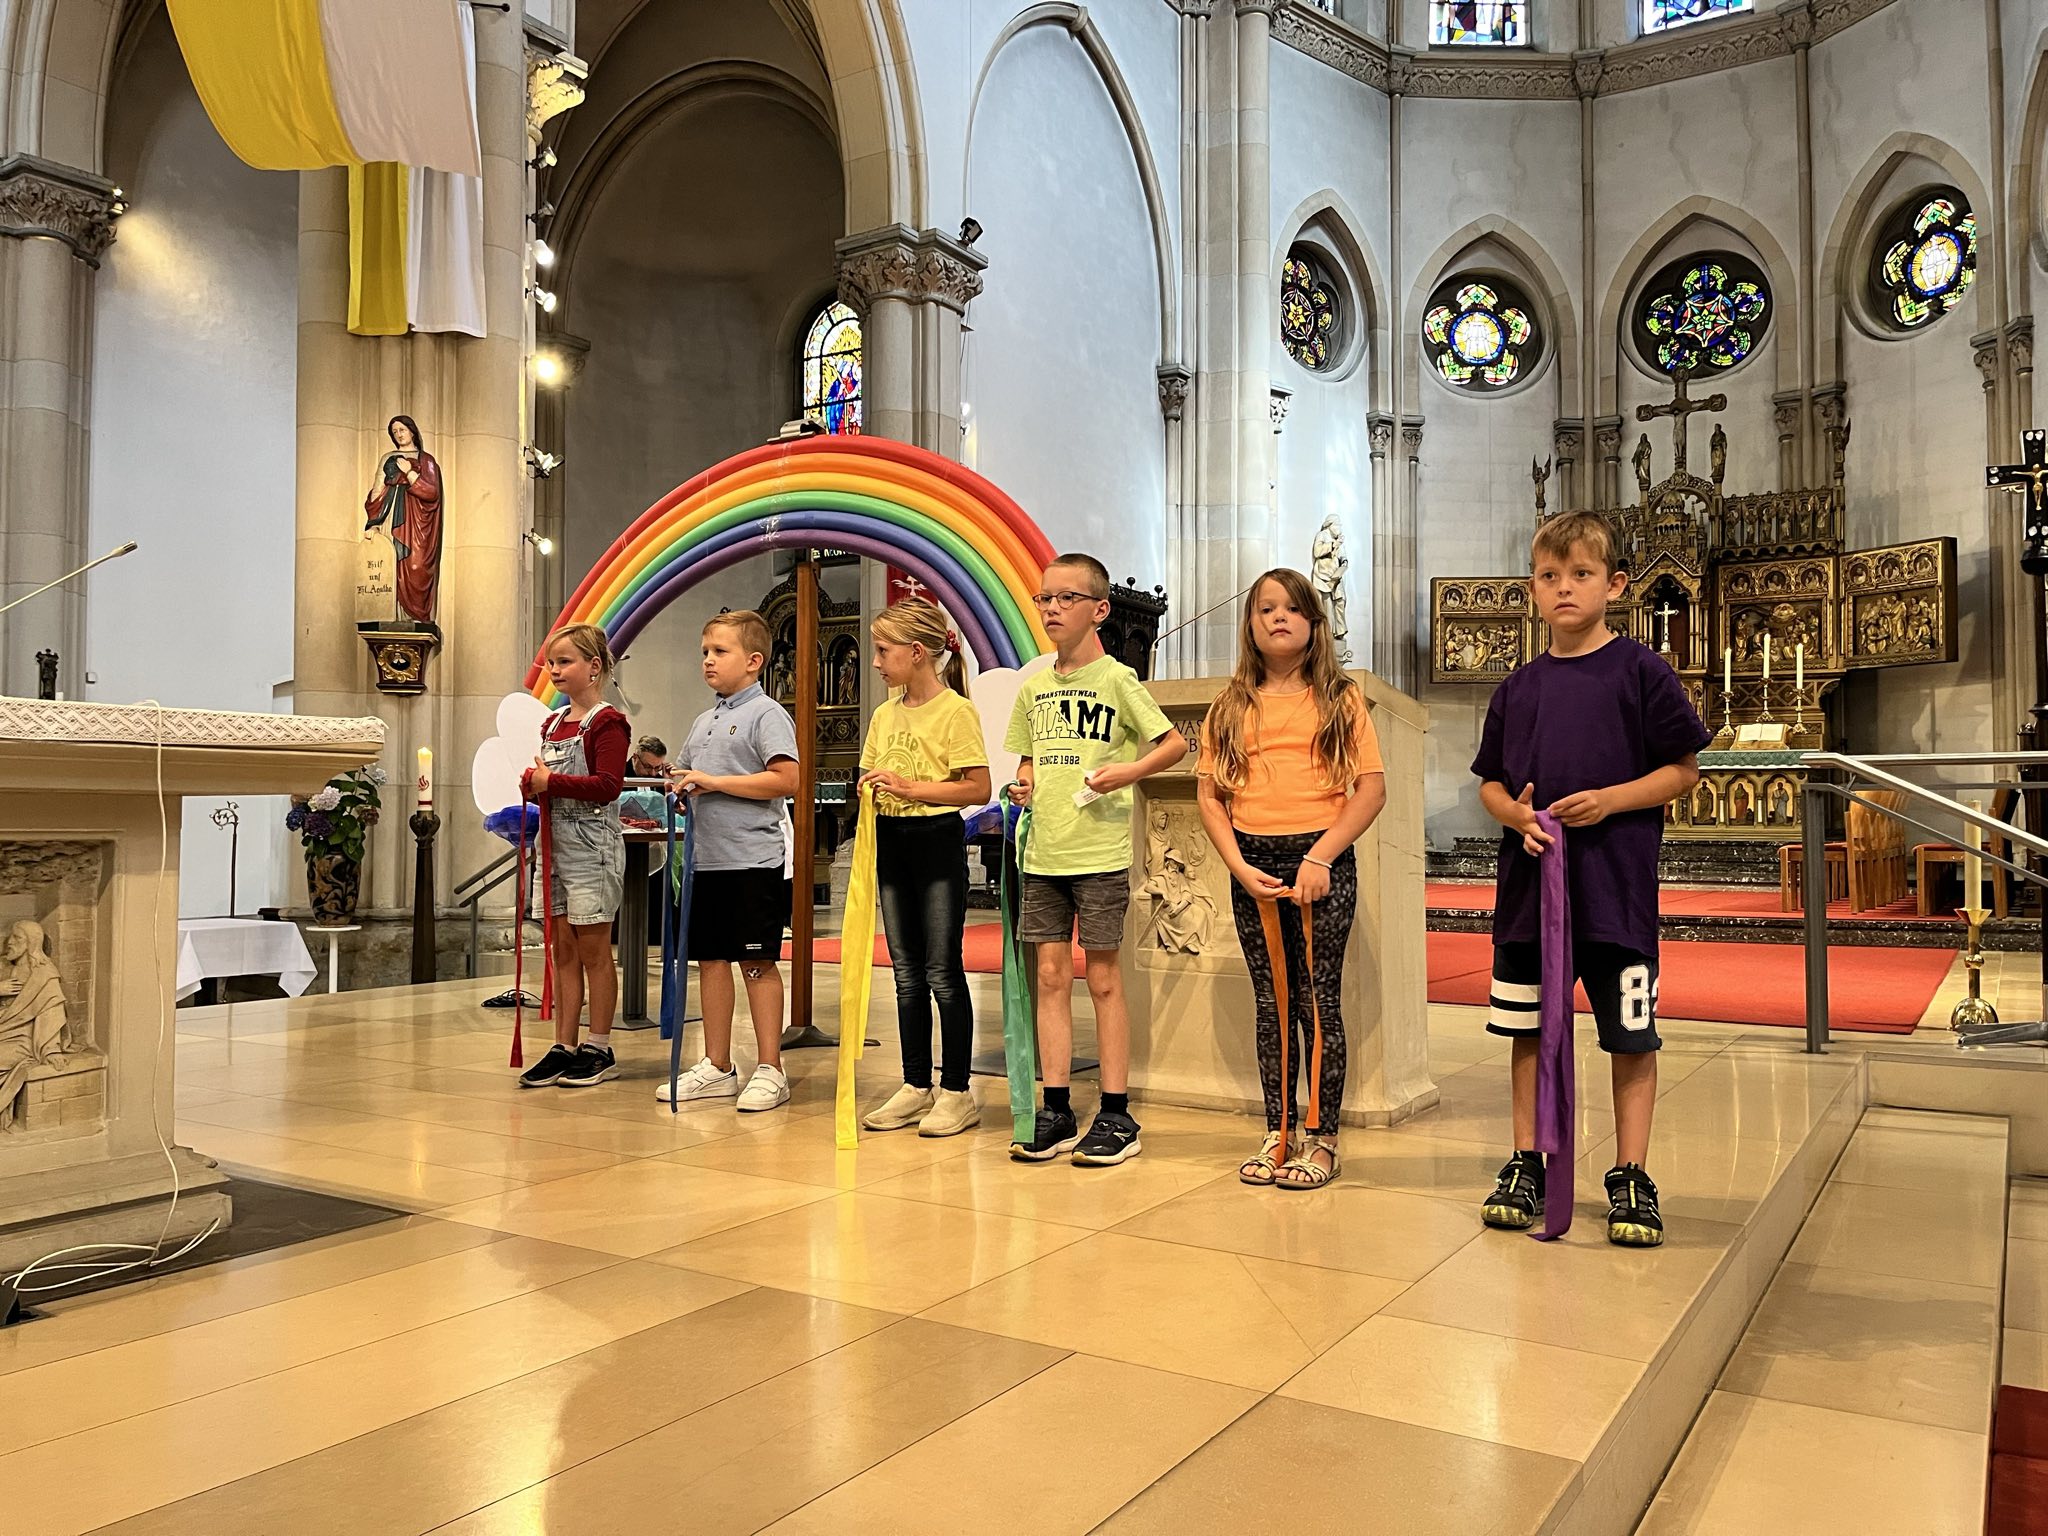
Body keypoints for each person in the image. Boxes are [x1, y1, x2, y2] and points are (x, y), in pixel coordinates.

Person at [1472, 512, 1709, 1247]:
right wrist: (1515, 814)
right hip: (1528, 896)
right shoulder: (1518, 688)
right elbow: (1490, 784)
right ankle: (1527, 1161)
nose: (1564, 588)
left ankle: (1631, 1173)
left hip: (1615, 893)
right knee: (1527, 1032)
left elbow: (1683, 771)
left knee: (1630, 1037)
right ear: (1532, 591)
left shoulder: (1641, 671)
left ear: (1616, 585)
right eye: (1549, 576)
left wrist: (1610, 800)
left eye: (1581, 574)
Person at [1196, 570, 1385, 1189]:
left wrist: (1322, 857)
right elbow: (1210, 796)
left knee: (1317, 1001)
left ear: (1314, 624)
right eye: (1265, 609)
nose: (1279, 617)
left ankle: (1322, 1138)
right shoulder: (1230, 704)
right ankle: (1277, 1131)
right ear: (1250, 624)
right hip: (1253, 863)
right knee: (1272, 1003)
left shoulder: (1340, 699)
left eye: (1292, 609)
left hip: (1319, 860)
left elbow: (1370, 790)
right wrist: (1238, 866)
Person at [1004, 552, 1189, 1166]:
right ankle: (1056, 1107)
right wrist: (1024, 785)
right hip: (1044, 852)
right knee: (1050, 977)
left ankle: (1116, 1112)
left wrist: (1127, 773)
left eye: (1067, 598)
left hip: (1100, 851)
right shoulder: (1033, 688)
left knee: (1104, 978)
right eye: (1045, 598)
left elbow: (1173, 744)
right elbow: (1027, 760)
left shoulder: (1117, 680)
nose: (1052, 608)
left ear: (1099, 610)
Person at [856, 598, 991, 1138]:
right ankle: (916, 1084)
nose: (875, 662)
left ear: (916, 652)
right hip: (892, 841)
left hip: (935, 841)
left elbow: (977, 787)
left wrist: (912, 788)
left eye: (883, 651)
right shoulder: (884, 714)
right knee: (905, 973)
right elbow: (870, 770)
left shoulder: (956, 711)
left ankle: (957, 1091)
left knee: (942, 971)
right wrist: (870, 786)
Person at [658, 610, 802, 1113]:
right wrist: (680, 789)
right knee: (712, 961)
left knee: (756, 961)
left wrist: (715, 782)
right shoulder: (704, 721)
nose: (708, 660)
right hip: (707, 862)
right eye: (705, 652)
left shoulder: (767, 714)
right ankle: (717, 1065)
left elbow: (786, 780)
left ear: (754, 661)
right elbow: (688, 772)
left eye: (720, 651)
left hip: (750, 862)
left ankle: (771, 1068)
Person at [517, 624, 631, 1090]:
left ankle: (599, 1046)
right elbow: (550, 780)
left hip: (590, 848)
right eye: (551, 662)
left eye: (565, 661)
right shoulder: (552, 723)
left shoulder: (607, 722)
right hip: (554, 847)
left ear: (594, 667)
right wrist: (532, 786)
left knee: (593, 951)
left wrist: (551, 782)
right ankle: (563, 1044)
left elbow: (608, 786)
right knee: (561, 949)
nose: (555, 670)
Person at [362, 414, 442, 627]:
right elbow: (377, 490)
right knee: (390, 562)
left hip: (416, 520)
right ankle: (390, 615)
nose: (399, 434)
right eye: (395, 431)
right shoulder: (387, 457)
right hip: (390, 516)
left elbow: (432, 492)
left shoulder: (426, 460)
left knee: (416, 566)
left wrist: (409, 472)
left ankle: (414, 617)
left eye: (402, 430)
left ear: (412, 431)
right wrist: (374, 523)